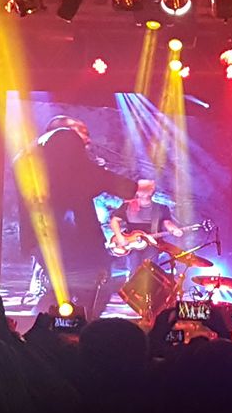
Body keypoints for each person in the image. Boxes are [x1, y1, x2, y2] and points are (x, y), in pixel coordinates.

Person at [15, 115, 139, 318]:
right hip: (72, 239)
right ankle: (84, 331)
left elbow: (71, 186)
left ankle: (41, 329)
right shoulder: (63, 138)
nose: (88, 139)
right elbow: (88, 178)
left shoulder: (33, 152)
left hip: (45, 237)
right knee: (96, 286)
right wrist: (131, 188)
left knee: (61, 290)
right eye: (83, 132)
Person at [108, 179, 184, 271]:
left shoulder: (161, 208)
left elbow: (167, 223)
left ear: (151, 192)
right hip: (132, 244)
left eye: (145, 190)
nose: (142, 193)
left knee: (149, 271)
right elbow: (114, 221)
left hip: (152, 245)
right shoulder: (127, 206)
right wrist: (120, 237)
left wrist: (175, 230)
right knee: (134, 271)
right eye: (141, 190)